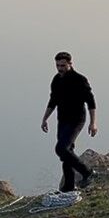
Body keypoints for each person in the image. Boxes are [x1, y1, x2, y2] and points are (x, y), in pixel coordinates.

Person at [41, 52, 97, 192]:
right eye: (57, 66)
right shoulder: (56, 80)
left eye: (63, 65)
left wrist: (93, 123)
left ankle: (87, 172)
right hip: (62, 120)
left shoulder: (79, 80)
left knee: (61, 149)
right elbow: (53, 100)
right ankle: (68, 187)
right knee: (66, 152)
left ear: (70, 64)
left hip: (77, 120)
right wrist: (45, 118)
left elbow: (90, 101)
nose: (60, 68)